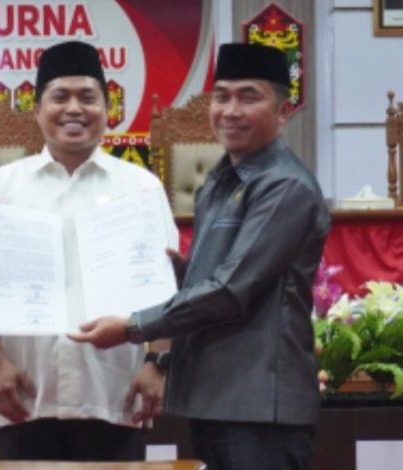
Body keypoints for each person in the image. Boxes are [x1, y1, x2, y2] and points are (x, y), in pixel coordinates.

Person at [70, 43, 331, 470]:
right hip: (215, 398)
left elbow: (231, 291)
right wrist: (171, 271)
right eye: (221, 96)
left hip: (260, 406)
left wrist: (133, 326)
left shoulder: (285, 186)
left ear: (283, 111)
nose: (230, 110)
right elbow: (217, 276)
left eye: (249, 97)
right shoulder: (221, 180)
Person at [0, 40, 178, 461]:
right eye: (60, 97)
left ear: (107, 110)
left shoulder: (141, 187)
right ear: (37, 110)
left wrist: (156, 363)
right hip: (25, 395)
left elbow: (168, 290)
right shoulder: (1, 187)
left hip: (114, 395)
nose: (74, 109)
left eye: (88, 98)